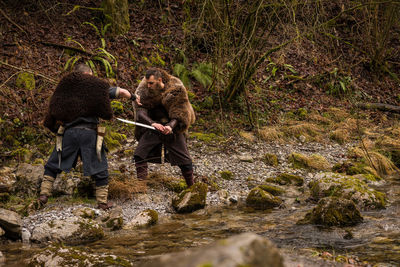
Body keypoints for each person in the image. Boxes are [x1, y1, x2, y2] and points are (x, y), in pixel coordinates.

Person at [38, 63, 140, 210]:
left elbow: (53, 108)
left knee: (54, 163)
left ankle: (44, 195)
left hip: (69, 133)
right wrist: (134, 97)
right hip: (89, 134)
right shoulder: (96, 87)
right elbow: (122, 92)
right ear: (87, 75)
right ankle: (102, 203)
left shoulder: (64, 89)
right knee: (100, 167)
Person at [133, 68, 196, 186]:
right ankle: (141, 187)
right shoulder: (143, 90)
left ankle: (191, 187)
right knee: (139, 154)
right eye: (147, 83)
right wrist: (152, 123)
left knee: (184, 160)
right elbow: (140, 112)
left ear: (160, 80)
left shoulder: (176, 87)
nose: (148, 85)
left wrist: (171, 126)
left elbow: (181, 113)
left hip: (174, 126)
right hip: (153, 126)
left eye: (151, 83)